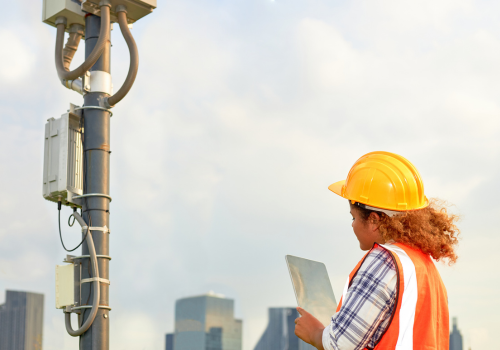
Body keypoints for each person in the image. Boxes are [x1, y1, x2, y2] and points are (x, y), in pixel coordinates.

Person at [294, 151, 459, 350]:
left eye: (353, 217)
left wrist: (315, 333)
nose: (353, 225)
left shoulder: (384, 260)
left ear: (373, 220)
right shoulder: (424, 267)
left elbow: (341, 344)